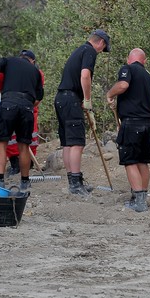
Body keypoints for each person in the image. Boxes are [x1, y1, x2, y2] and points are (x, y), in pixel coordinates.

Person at [55, 29, 111, 196]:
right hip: (71, 99)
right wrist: (87, 100)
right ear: (100, 42)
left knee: (67, 142)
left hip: (61, 98)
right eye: (104, 47)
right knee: (76, 143)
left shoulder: (79, 50)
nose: (101, 51)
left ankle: (74, 181)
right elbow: (85, 76)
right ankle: (75, 183)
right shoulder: (90, 51)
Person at [106, 48, 150, 212]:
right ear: (144, 61)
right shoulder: (149, 76)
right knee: (143, 161)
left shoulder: (127, 69)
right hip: (148, 124)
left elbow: (122, 85)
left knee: (130, 161)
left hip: (132, 123)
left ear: (129, 59)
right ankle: (142, 197)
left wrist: (110, 94)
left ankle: (139, 200)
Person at [0, 49, 44, 191]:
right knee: (24, 146)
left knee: (1, 144)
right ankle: (25, 181)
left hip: (8, 103)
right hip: (27, 107)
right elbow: (38, 99)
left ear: (20, 57)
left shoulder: (8, 60)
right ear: (32, 60)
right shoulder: (36, 72)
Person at [5, 63, 45, 176]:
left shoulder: (37, 73)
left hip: (29, 107)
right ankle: (14, 163)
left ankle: (29, 163)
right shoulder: (11, 71)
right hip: (12, 105)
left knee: (31, 136)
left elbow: (39, 94)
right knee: (11, 137)